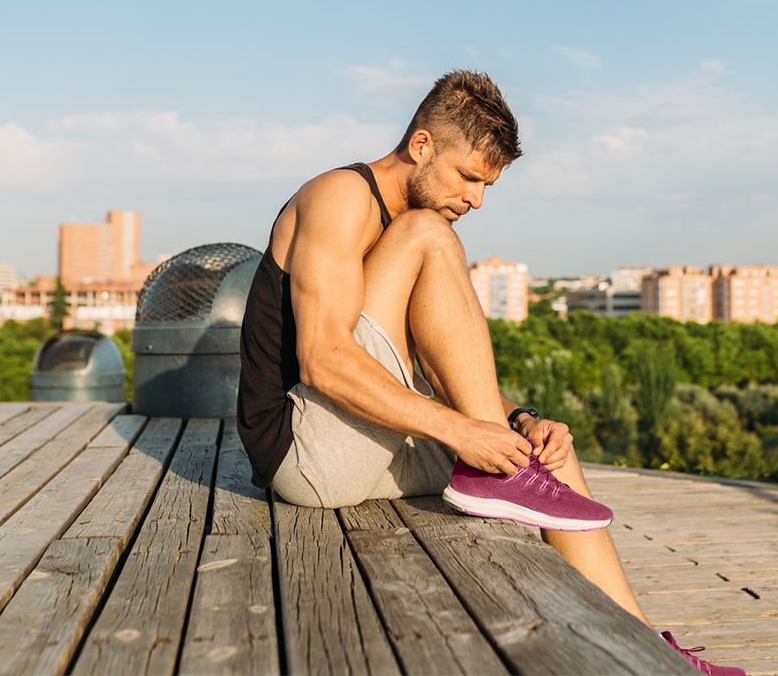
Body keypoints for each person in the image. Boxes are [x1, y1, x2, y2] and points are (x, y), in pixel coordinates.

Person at [237, 69, 744, 676]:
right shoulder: (341, 198)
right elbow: (324, 360)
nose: (477, 199)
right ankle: (491, 474)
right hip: (302, 454)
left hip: (360, 446)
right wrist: (464, 434)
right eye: (469, 177)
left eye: (487, 185)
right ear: (421, 145)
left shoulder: (402, 235)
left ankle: (649, 657)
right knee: (427, 232)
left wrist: (516, 420)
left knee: (546, 451)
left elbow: (441, 375)